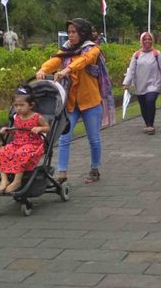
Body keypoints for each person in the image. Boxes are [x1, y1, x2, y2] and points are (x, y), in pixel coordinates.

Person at [36, 18, 113, 184]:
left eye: (74, 32)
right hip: (70, 102)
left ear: (82, 33)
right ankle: (62, 173)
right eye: (69, 32)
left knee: (93, 138)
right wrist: (42, 70)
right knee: (64, 138)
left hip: (90, 101)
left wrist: (67, 69)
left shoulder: (92, 49)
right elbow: (55, 60)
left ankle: (94, 168)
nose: (70, 35)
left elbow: (84, 60)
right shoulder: (66, 50)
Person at [0, 85, 50, 193]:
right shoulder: (16, 117)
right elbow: (16, 130)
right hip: (17, 143)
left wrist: (39, 128)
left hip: (33, 144)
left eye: (21, 105)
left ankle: (17, 180)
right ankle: (4, 180)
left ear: (31, 105)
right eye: (15, 105)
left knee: (20, 153)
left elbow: (47, 128)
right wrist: (7, 130)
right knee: (1, 152)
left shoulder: (37, 117)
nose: (18, 108)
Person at [123, 32, 161, 135]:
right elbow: (131, 70)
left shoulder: (157, 54)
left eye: (149, 39)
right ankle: (147, 123)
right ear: (141, 41)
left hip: (154, 83)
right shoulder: (136, 55)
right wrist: (126, 83)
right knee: (143, 105)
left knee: (150, 101)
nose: (147, 41)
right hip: (140, 84)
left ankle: (150, 125)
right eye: (145, 39)